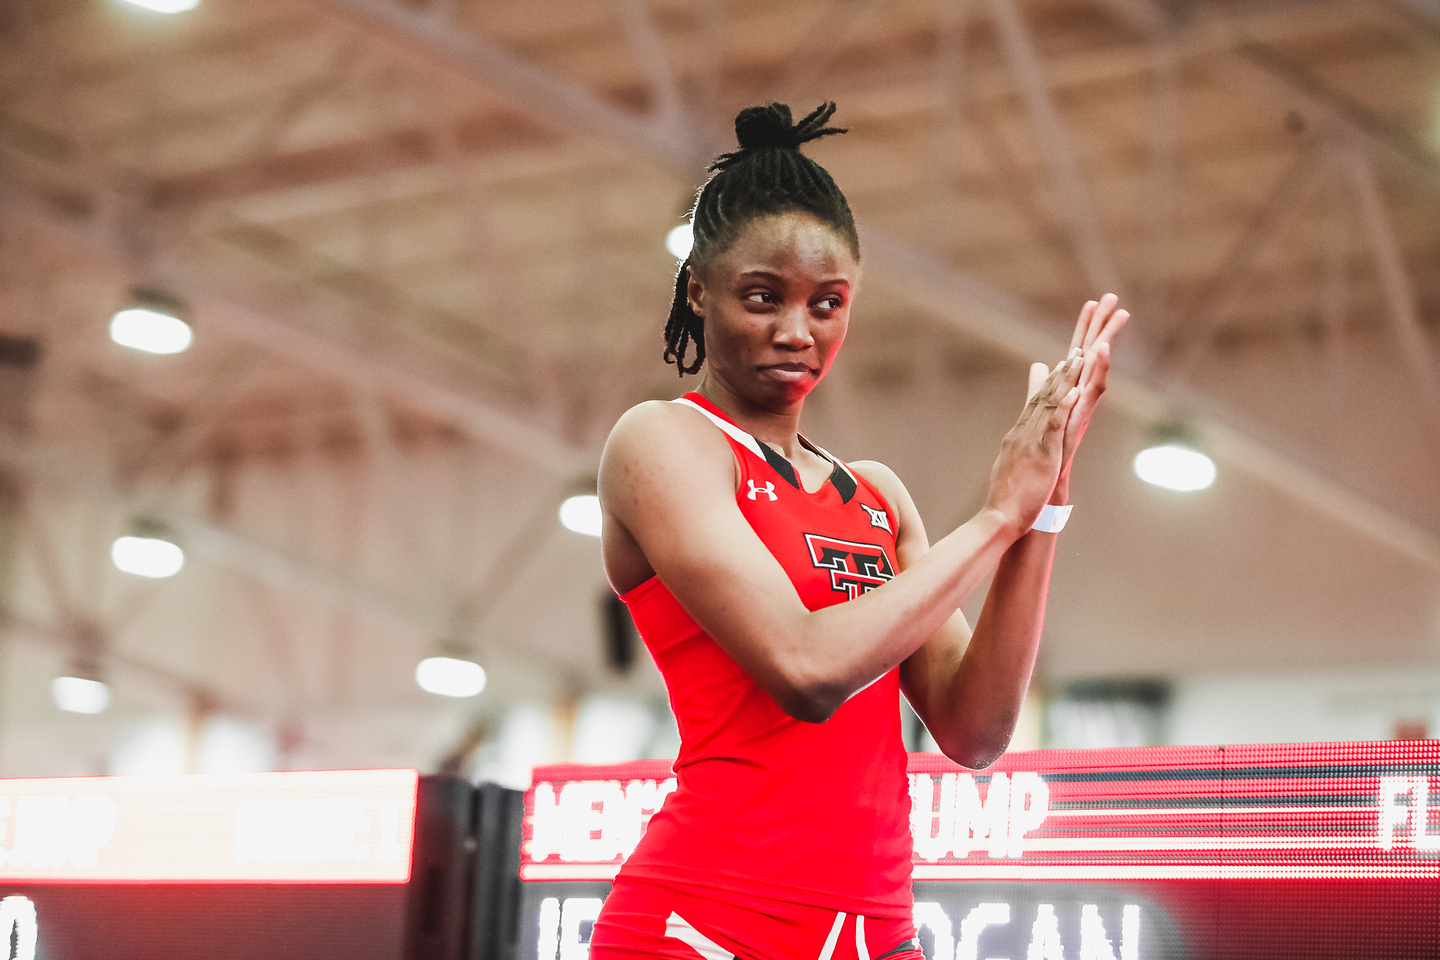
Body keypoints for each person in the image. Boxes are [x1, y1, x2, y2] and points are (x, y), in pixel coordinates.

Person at [592, 102, 1127, 960]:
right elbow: (805, 670)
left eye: (827, 303)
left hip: (875, 934)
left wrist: (1042, 508)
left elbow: (975, 730)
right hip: (704, 923)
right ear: (699, 289)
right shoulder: (663, 443)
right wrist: (995, 514)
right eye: (763, 297)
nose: (797, 332)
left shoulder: (874, 496)